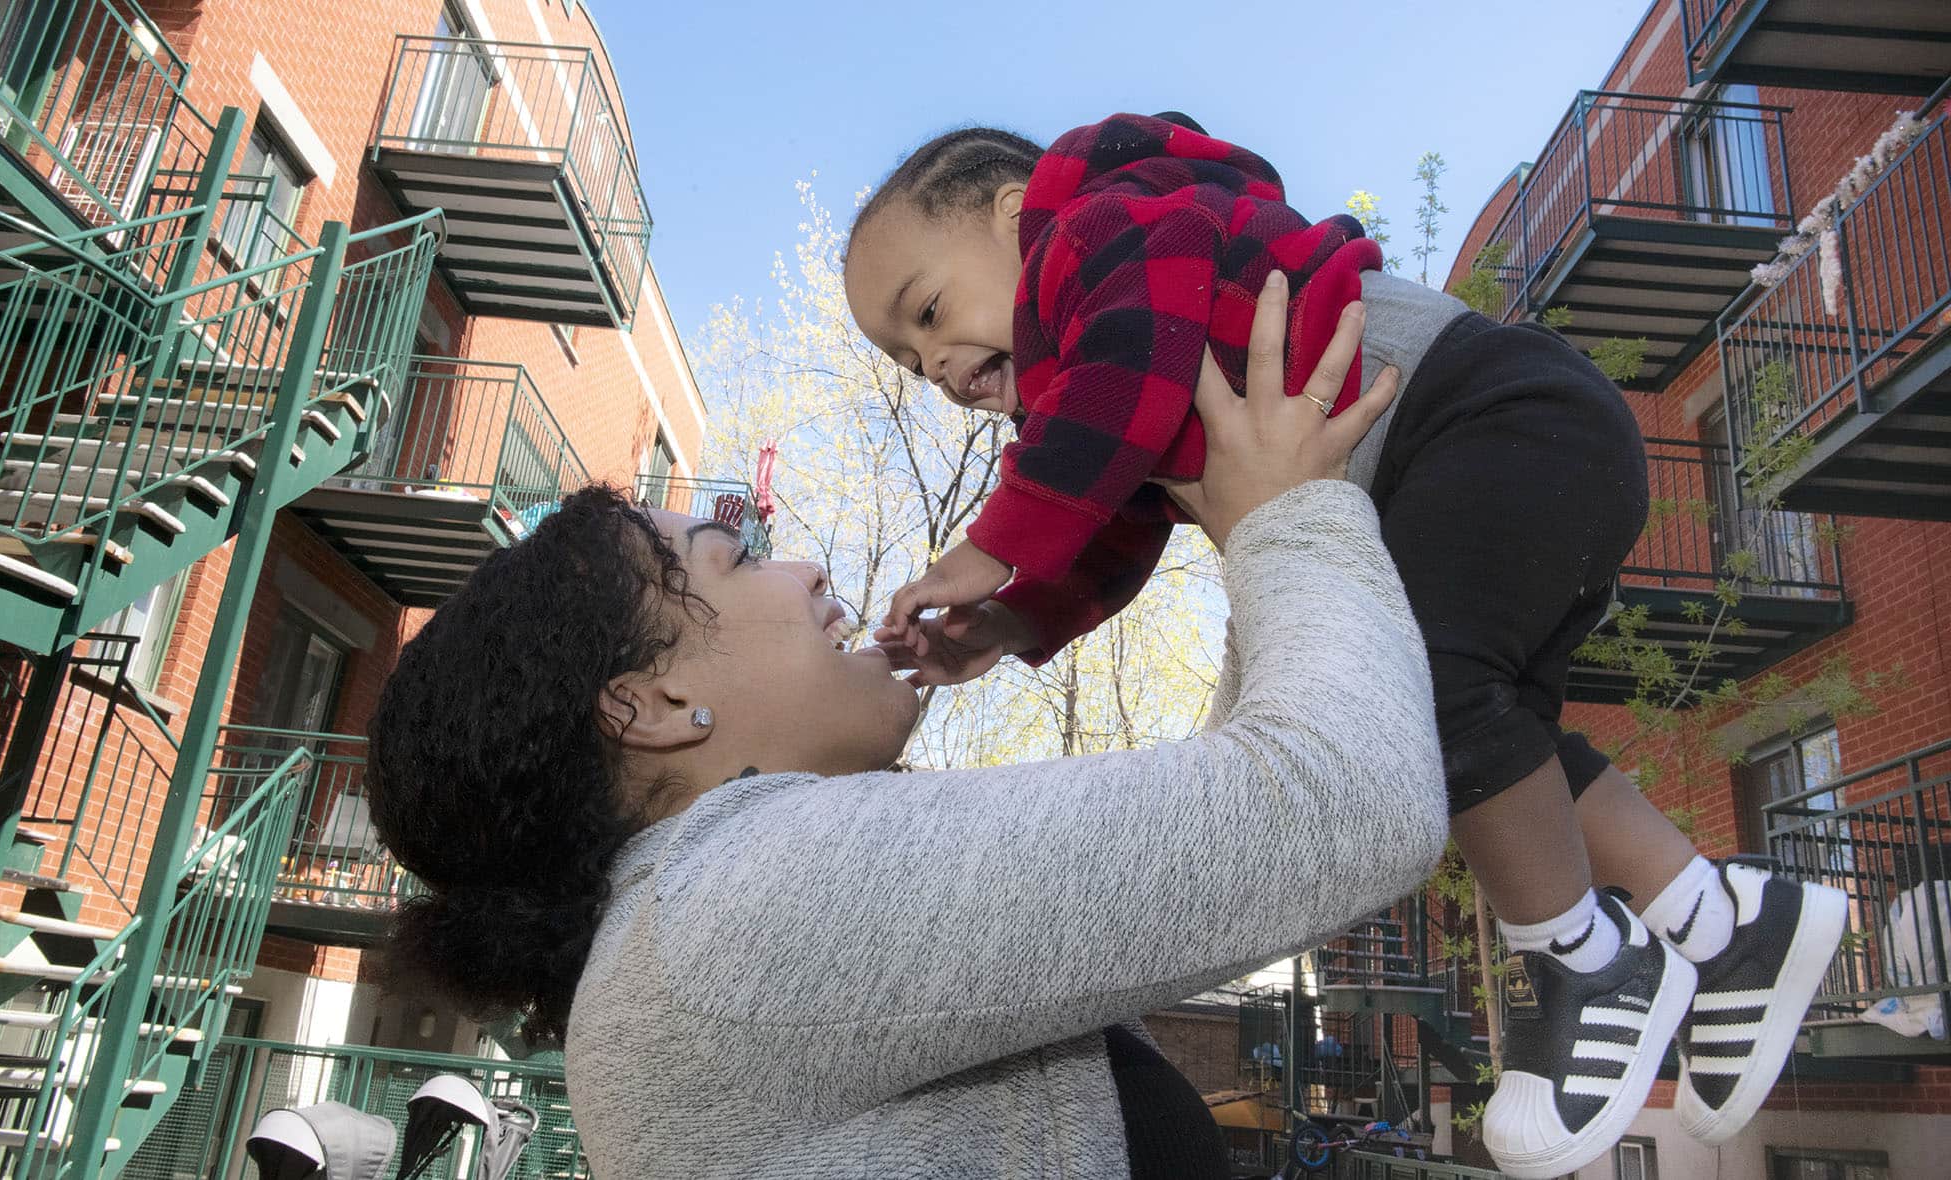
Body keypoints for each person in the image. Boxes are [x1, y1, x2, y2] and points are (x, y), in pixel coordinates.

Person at [841, 112, 1848, 1177]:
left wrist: (989, 546)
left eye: (930, 311)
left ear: (1014, 214)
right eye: (910, 361)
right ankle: (1727, 921)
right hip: (1498, 454)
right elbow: (1120, 521)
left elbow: (1119, 383)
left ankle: (1583, 963)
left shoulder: (1108, 230)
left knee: (1439, 702)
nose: (938, 366)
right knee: (1482, 735)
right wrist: (1019, 613)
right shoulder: (1097, 395)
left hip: (1491, 419)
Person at [364, 282, 1447, 1179]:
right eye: (736, 560)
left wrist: (1253, 517)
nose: (808, 569)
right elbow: (1343, 801)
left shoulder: (695, 931)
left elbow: (1239, 842)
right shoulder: (741, 905)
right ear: (643, 708)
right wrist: (1284, 518)